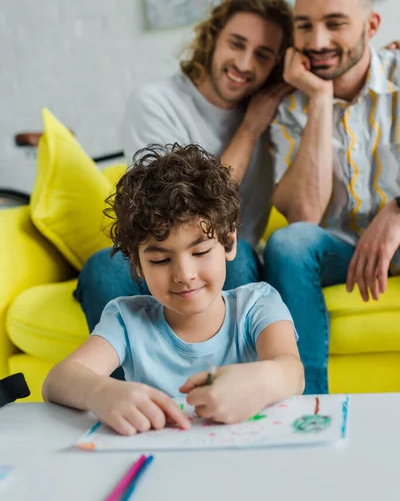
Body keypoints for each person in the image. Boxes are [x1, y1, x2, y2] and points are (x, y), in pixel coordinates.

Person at [43, 144, 304, 434]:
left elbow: (292, 372)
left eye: (201, 252)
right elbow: (57, 381)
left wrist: (261, 381)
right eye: (161, 259)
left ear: (228, 243)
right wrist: (101, 392)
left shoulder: (258, 305)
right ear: (138, 264)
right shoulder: (125, 319)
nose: (184, 275)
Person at [76, 0, 294, 334]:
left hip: (234, 257)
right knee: (104, 268)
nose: (245, 64)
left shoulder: (281, 112)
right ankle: (125, 389)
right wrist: (250, 129)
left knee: (232, 260)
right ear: (213, 38)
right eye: (236, 44)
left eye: (263, 55)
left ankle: (231, 386)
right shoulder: (157, 102)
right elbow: (176, 210)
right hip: (167, 249)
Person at [263, 0, 400, 395]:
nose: (317, 42)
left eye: (335, 23)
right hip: (343, 252)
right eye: (304, 26)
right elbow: (303, 215)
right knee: (289, 243)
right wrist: (320, 100)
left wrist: (397, 211)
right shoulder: (289, 107)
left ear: (371, 25)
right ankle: (309, 406)